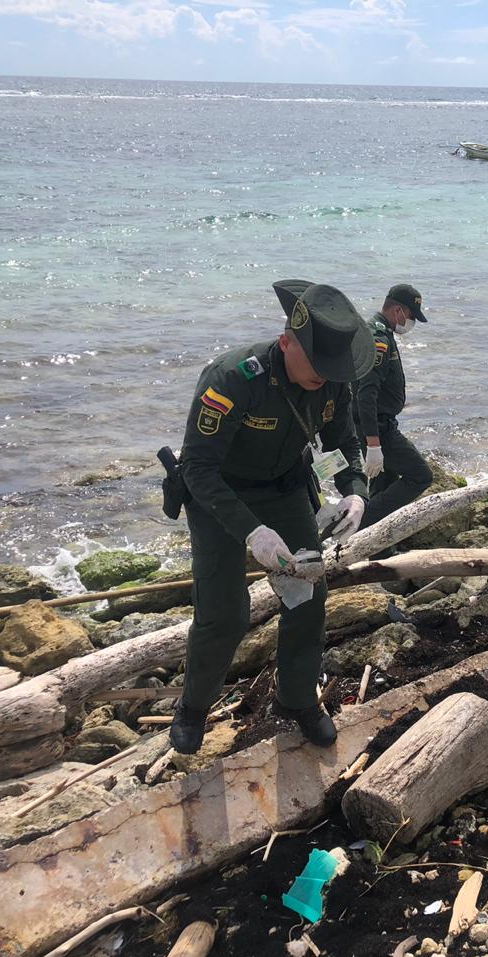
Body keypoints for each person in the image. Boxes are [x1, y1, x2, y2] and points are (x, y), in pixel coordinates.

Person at [169, 280, 375, 755]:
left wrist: (354, 492)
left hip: (284, 490)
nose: (324, 377)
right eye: (317, 366)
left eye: (332, 370)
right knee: (224, 613)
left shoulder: (333, 381)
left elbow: (342, 442)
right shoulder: (233, 379)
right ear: (287, 342)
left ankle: (297, 698)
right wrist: (251, 531)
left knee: (306, 594)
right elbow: (196, 468)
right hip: (219, 499)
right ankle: (194, 707)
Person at [355, 283, 434, 529]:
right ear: (398, 311)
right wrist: (373, 444)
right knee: (421, 476)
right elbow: (365, 394)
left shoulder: (380, 332)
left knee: (384, 483)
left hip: (379, 423)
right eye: (411, 317)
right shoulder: (378, 338)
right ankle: (358, 524)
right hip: (378, 427)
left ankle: (378, 546)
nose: (410, 324)